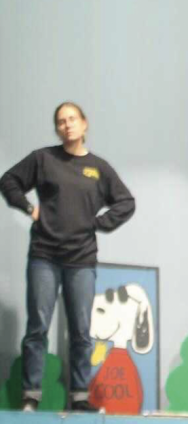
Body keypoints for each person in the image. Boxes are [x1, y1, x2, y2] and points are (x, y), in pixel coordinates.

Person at [0, 102, 136, 413]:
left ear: (84, 124)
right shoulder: (43, 159)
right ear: (57, 128)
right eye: (61, 121)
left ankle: (79, 398)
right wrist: (28, 207)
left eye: (72, 119)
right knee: (38, 328)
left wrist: (98, 223)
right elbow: (8, 181)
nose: (67, 125)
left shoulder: (99, 168)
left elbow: (125, 202)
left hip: (82, 261)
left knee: (81, 332)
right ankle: (31, 397)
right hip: (44, 257)